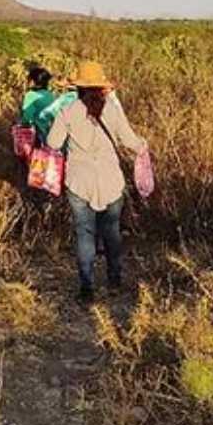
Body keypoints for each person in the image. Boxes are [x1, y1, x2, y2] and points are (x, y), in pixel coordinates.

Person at [44, 60, 148, 305]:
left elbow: (53, 144)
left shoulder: (67, 112)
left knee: (84, 234)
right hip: (111, 181)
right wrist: (143, 146)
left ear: (76, 88)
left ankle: (87, 288)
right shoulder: (112, 111)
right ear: (102, 88)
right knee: (112, 232)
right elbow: (130, 142)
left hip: (79, 182)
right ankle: (114, 280)